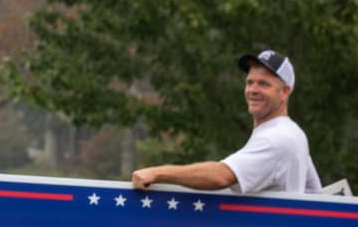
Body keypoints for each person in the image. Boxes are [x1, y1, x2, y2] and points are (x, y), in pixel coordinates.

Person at [131, 48, 322, 194]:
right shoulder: (294, 133)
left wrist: (157, 173)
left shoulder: (278, 139)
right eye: (250, 82)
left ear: (285, 92)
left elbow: (221, 176)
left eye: (264, 84)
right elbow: (316, 194)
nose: (253, 90)